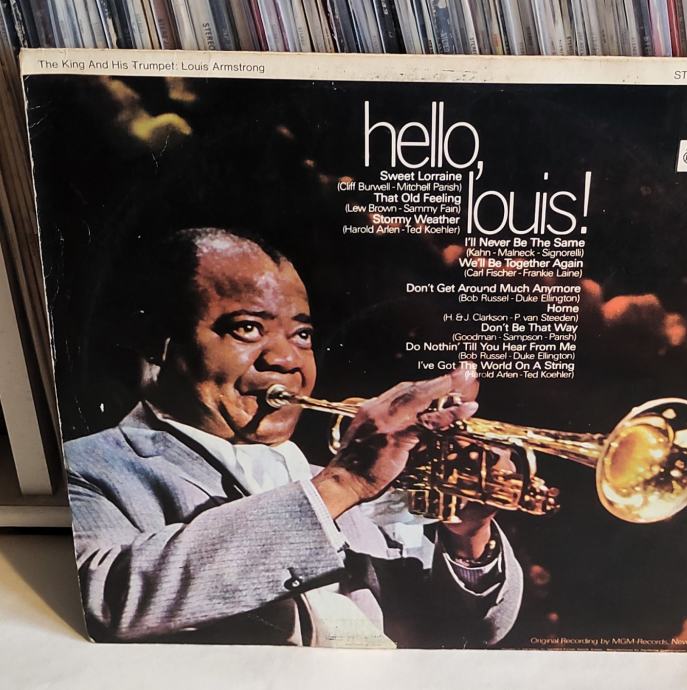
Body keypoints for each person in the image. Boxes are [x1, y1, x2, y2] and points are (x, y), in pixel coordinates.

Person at [65, 227, 523, 648]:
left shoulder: (348, 481)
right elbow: (105, 602)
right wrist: (341, 484)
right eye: (247, 328)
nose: (287, 359)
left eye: (302, 335)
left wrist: (468, 538)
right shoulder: (85, 467)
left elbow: (470, 630)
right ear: (160, 343)